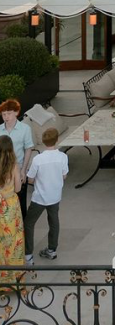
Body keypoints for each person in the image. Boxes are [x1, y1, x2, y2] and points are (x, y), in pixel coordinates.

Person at [23, 126, 68, 264]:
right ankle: (52, 250)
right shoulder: (63, 156)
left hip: (40, 198)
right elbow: (64, 176)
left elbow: (30, 179)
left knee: (29, 224)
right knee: (54, 222)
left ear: (43, 141)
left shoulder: (38, 159)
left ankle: (28, 255)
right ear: (57, 140)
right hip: (55, 197)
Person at [0, 99, 34, 220]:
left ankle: (21, 232)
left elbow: (28, 149)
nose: (6, 117)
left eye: (8, 113)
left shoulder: (25, 129)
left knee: (20, 202)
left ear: (16, 112)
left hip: (18, 168)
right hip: (2, 171)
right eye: (3, 114)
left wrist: (23, 170)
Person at [0, 136, 24, 283]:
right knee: (13, 241)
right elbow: (18, 188)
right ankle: (14, 279)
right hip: (10, 205)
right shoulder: (14, 165)